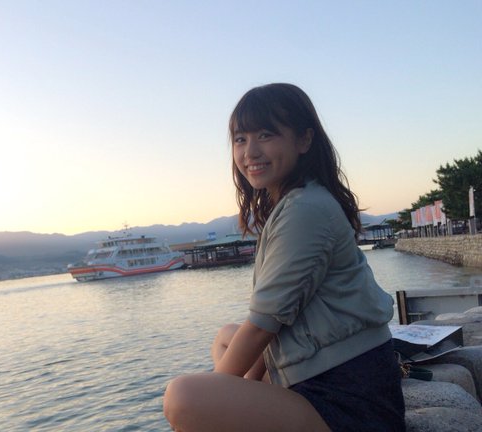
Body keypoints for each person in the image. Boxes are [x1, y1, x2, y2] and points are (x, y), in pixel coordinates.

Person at [163, 83, 405, 431]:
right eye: (240, 139)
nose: (250, 152)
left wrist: (209, 404)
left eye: (265, 135)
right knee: (226, 337)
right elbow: (270, 326)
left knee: (183, 398)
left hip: (348, 403)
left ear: (304, 140)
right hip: (317, 378)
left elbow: (263, 326)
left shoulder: (305, 210)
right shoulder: (296, 203)